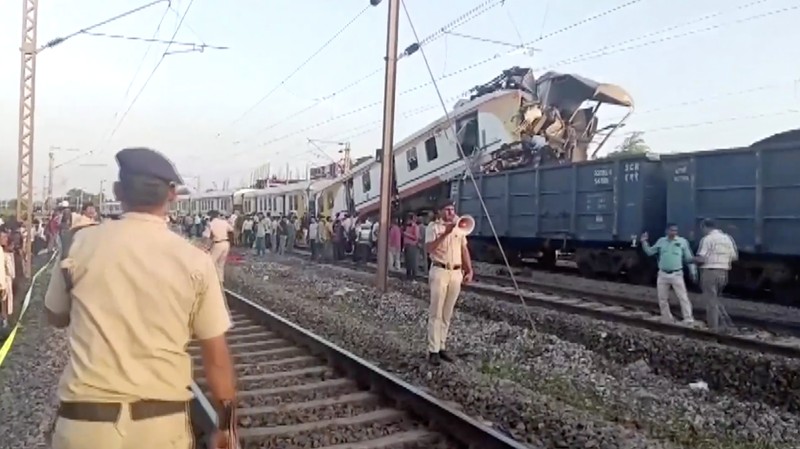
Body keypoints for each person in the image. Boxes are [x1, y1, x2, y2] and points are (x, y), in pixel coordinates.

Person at [43, 147, 237, 449]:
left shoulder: (78, 245)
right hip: (160, 429)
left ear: (118, 191)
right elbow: (216, 358)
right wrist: (226, 425)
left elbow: (55, 316)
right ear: (172, 195)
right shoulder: (195, 261)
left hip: (83, 426)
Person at [425, 200, 473, 365]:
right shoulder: (433, 227)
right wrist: (445, 233)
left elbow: (464, 249)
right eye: (447, 210)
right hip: (440, 270)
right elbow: (429, 248)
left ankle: (442, 346)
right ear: (439, 212)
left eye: (452, 209)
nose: (451, 213)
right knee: (436, 312)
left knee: (447, 312)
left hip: (455, 272)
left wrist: (469, 270)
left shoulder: (459, 227)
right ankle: (433, 349)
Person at [640, 223, 695, 324]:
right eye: (672, 230)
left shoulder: (682, 242)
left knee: (683, 297)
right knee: (662, 298)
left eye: (675, 231)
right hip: (663, 274)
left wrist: (693, 271)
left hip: (677, 274)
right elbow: (650, 252)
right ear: (667, 231)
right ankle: (666, 318)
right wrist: (644, 242)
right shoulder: (661, 241)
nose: (674, 233)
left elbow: (688, 258)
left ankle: (688, 318)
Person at [694, 218, 739, 331]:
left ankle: (713, 327)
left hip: (710, 271)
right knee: (716, 299)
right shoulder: (727, 238)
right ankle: (726, 324)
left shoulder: (707, 239)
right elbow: (734, 257)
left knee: (711, 301)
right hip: (724, 273)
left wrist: (691, 260)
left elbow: (702, 259)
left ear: (704, 227)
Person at [207, 210, 234, 286]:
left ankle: (209, 281)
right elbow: (231, 229)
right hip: (226, 243)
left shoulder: (210, 224)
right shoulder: (224, 222)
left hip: (218, 243)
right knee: (220, 265)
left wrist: (207, 247)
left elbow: (208, 236)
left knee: (210, 262)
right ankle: (220, 283)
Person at [403, 214, 420, 280]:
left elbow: (416, 237)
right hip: (407, 246)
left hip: (412, 246)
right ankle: (408, 276)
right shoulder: (408, 227)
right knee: (407, 262)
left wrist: (407, 234)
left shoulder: (415, 227)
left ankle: (413, 277)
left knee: (412, 262)